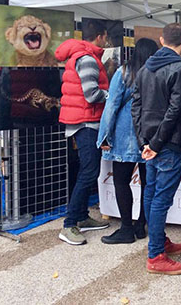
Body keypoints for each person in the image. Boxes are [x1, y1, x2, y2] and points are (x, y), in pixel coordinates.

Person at [131, 23, 181, 275]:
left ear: (161, 39)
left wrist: (144, 142)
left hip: (150, 143)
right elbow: (175, 109)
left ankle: (159, 242)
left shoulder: (145, 68)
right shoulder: (180, 67)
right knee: (160, 199)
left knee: (152, 194)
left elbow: (135, 107)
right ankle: (156, 253)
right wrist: (154, 143)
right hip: (168, 143)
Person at [97, 38, 159, 244]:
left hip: (125, 135)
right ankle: (141, 225)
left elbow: (112, 105)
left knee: (121, 181)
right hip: (150, 135)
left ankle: (125, 228)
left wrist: (104, 136)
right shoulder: (156, 74)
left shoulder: (124, 72)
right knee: (147, 183)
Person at [55, 20, 111, 246]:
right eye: (106, 37)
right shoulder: (87, 59)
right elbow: (91, 94)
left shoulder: (80, 55)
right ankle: (69, 224)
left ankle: (80, 217)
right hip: (85, 122)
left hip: (82, 121)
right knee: (89, 171)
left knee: (87, 171)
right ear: (100, 36)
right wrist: (113, 95)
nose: (107, 41)